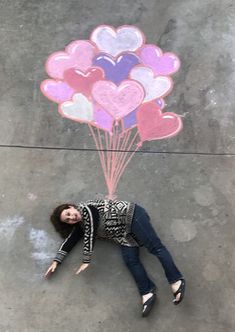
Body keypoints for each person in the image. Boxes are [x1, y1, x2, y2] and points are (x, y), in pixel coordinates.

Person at [44, 199, 186, 317]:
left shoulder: (87, 209)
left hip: (133, 216)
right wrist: (57, 261)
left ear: (72, 207)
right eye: (68, 220)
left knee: (156, 248)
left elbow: (91, 233)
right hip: (124, 235)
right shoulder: (81, 225)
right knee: (131, 261)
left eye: (69, 213)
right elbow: (70, 240)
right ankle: (147, 292)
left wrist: (86, 259)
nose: (72, 217)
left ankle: (176, 281)